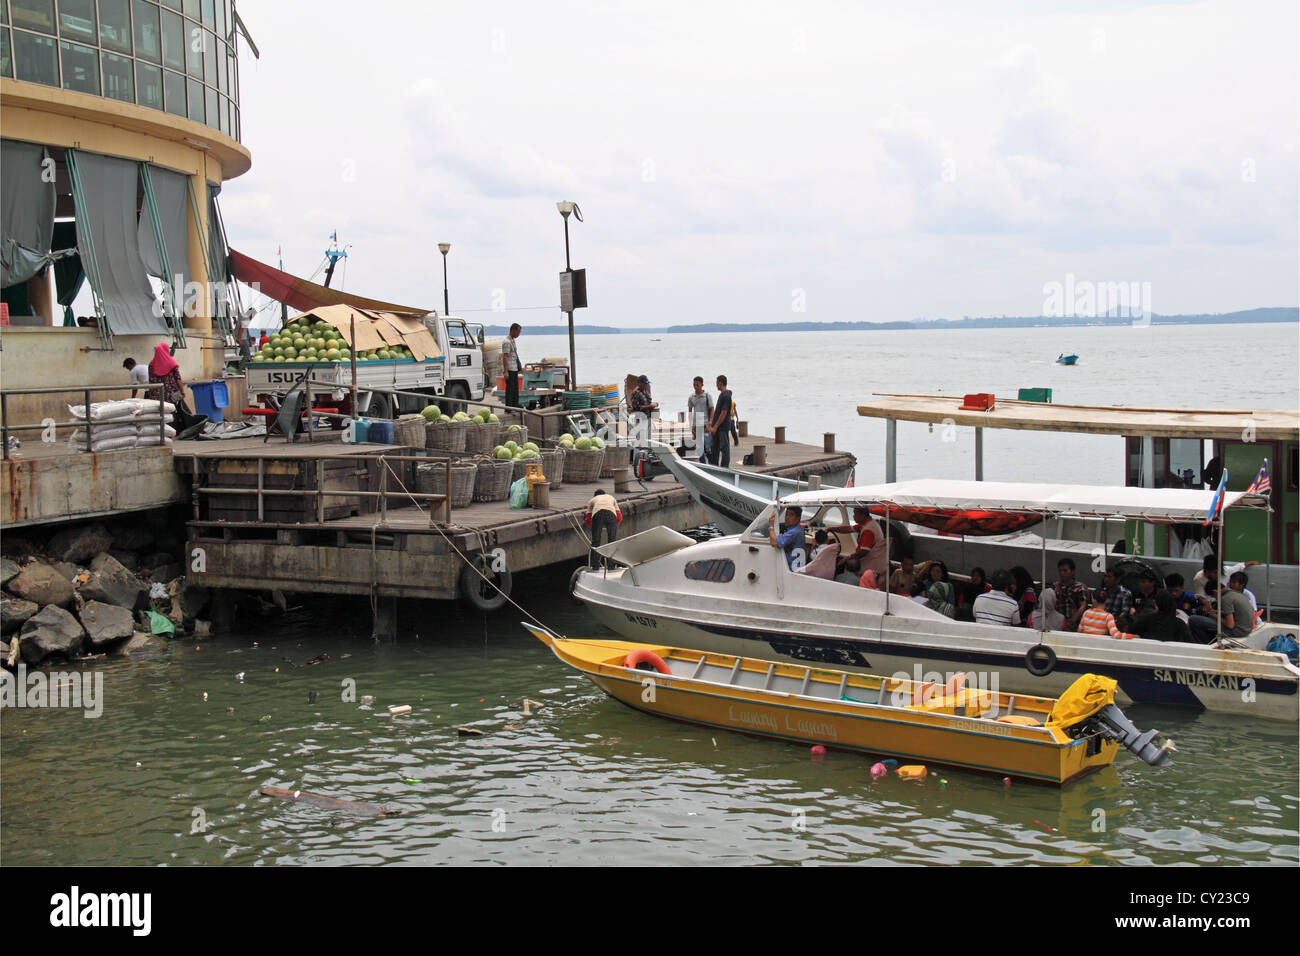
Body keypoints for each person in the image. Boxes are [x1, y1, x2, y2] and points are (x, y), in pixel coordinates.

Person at [1189, 571, 1256, 643]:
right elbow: (1235, 612)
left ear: (1215, 592)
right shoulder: (1237, 594)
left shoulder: (1225, 599)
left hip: (1237, 632)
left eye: (1213, 596)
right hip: (1247, 630)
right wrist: (1218, 612)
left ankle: (1205, 643)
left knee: (1193, 619)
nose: (1215, 599)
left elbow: (1230, 625)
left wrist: (1214, 616)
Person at [831, 506, 888, 581]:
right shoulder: (867, 523)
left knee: (841, 565)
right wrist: (831, 528)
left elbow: (863, 552)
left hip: (870, 561)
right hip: (872, 558)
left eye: (855, 513)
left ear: (862, 515)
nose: (853, 516)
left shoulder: (869, 529)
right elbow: (848, 529)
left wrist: (848, 558)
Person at [584, 489, 622, 567]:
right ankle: (611, 566)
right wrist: (614, 526)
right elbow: (619, 517)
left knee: (596, 541)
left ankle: (595, 566)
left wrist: (594, 528)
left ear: (595, 496)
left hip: (598, 514)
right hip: (611, 514)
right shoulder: (611, 498)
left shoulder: (592, 500)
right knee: (612, 541)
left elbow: (588, 518)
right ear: (605, 494)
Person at [706, 375, 736, 468]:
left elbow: (723, 413)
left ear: (720, 383)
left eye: (716, 382)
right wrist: (712, 424)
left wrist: (715, 426)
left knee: (724, 447)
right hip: (717, 426)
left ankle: (724, 467)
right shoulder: (722, 395)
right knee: (714, 447)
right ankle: (714, 465)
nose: (716, 384)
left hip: (722, 427)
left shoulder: (726, 395)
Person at [1053, 558, 1090, 631]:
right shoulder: (1055, 586)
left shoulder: (1080, 587)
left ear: (1072, 572)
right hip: (1057, 623)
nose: (1062, 573)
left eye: (1065, 571)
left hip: (1075, 624)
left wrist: (1071, 622)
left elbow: (1083, 606)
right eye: (1060, 571)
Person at [769, 506, 807, 570]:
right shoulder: (799, 528)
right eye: (786, 514)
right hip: (799, 567)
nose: (787, 517)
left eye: (791, 515)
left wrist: (771, 526)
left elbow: (774, 543)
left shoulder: (794, 532)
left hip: (793, 569)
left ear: (798, 518)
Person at [686, 376, 713, 461]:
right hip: (697, 425)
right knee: (699, 449)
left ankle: (712, 465)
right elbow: (690, 412)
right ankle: (704, 467)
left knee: (708, 449)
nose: (695, 387)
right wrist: (691, 426)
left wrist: (710, 422)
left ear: (702, 385)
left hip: (706, 425)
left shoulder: (707, 396)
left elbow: (712, 409)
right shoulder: (691, 397)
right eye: (694, 385)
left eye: (697, 385)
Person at [502, 323, 522, 408]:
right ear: (513, 330)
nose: (518, 334)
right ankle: (509, 407)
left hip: (514, 368)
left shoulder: (512, 340)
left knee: (515, 389)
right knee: (510, 390)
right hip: (510, 368)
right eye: (518, 332)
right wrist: (506, 371)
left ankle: (515, 405)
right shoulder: (507, 342)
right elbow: (505, 357)